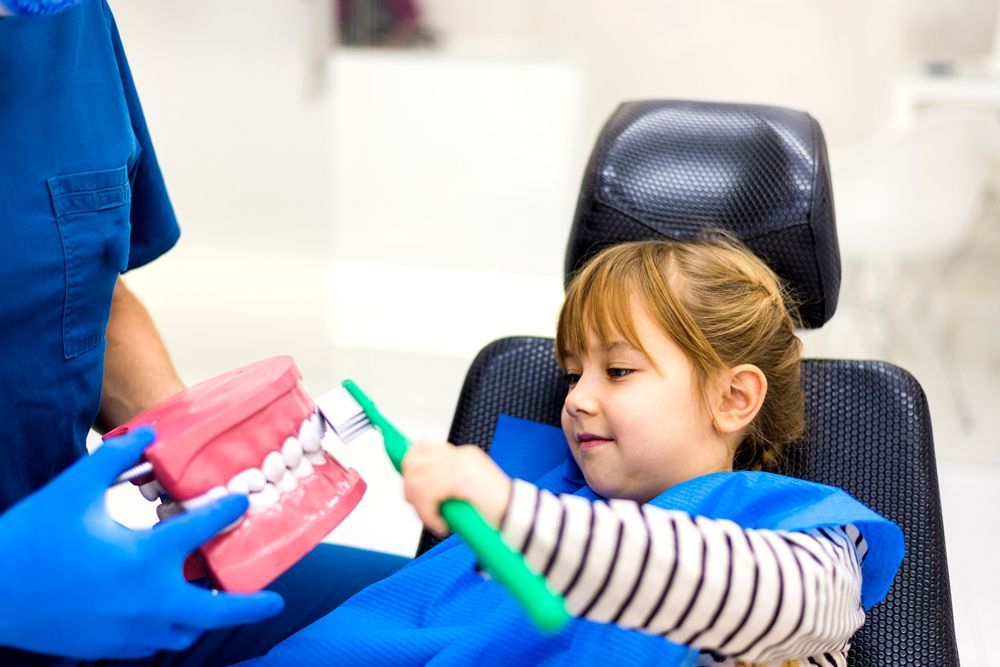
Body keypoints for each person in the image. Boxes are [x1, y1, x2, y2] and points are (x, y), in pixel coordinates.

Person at [248, 238, 904, 666]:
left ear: (733, 398)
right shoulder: (553, 493)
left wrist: (516, 513)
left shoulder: (806, 542)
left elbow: (743, 590)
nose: (578, 399)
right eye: (571, 372)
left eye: (618, 371)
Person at [0, 1, 406, 663]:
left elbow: (73, 275)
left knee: (450, 612)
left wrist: (199, 453)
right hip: (29, 599)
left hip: (92, 587)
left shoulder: (69, 21)